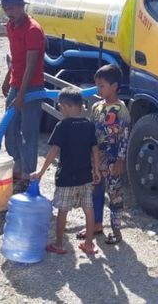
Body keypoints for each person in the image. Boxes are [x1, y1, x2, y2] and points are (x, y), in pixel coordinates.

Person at [32, 87, 101, 255]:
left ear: (67, 107)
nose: (60, 111)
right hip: (85, 176)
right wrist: (96, 170)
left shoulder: (62, 126)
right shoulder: (89, 125)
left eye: (60, 107)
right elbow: (95, 149)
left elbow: (54, 151)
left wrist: (41, 171)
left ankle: (59, 244)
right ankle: (89, 244)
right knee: (89, 209)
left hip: (66, 178)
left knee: (63, 210)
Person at [0, 0, 46, 193]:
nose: (9, 11)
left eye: (12, 7)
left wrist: (22, 95)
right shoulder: (11, 26)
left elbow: (31, 64)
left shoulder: (33, 29)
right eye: (6, 8)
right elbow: (15, 59)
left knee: (29, 133)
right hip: (16, 84)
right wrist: (8, 78)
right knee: (9, 128)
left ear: (21, 6)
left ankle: (28, 175)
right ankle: (17, 167)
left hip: (31, 87)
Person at [78, 65, 130, 245]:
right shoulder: (96, 107)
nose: (98, 89)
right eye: (97, 86)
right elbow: (91, 132)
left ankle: (116, 231)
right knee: (95, 193)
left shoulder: (121, 110)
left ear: (114, 86)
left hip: (113, 161)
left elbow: (124, 137)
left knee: (114, 195)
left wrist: (121, 160)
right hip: (96, 161)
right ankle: (96, 225)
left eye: (101, 86)